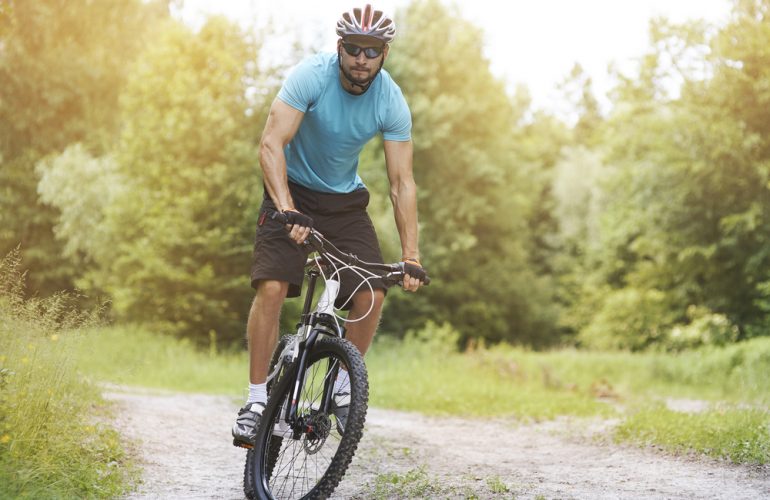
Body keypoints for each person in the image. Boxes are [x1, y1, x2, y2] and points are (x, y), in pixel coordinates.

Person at [232, 4, 428, 448]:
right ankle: (257, 400)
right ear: (340, 48)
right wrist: (285, 207)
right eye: (354, 48)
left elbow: (402, 183)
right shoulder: (311, 76)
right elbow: (270, 144)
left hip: (343, 204)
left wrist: (411, 254)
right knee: (273, 288)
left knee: (372, 291)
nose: (362, 58)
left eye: (373, 50)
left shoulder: (390, 100)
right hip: (291, 193)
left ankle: (342, 382)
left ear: (384, 54)